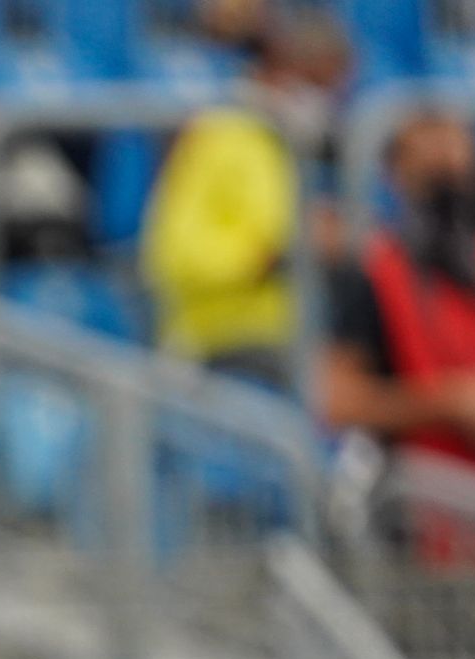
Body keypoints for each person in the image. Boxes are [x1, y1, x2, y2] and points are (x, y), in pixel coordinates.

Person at [322, 108, 475, 571]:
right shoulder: (378, 274)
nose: (450, 159)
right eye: (428, 148)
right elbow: (337, 399)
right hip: (426, 523)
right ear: (395, 173)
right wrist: (448, 402)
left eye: (458, 143)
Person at [140, 12, 353, 390]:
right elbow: (172, 256)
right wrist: (274, 254)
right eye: (317, 85)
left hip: (292, 333)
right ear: (282, 70)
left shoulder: (290, 148)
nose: (324, 103)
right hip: (219, 339)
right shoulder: (218, 135)